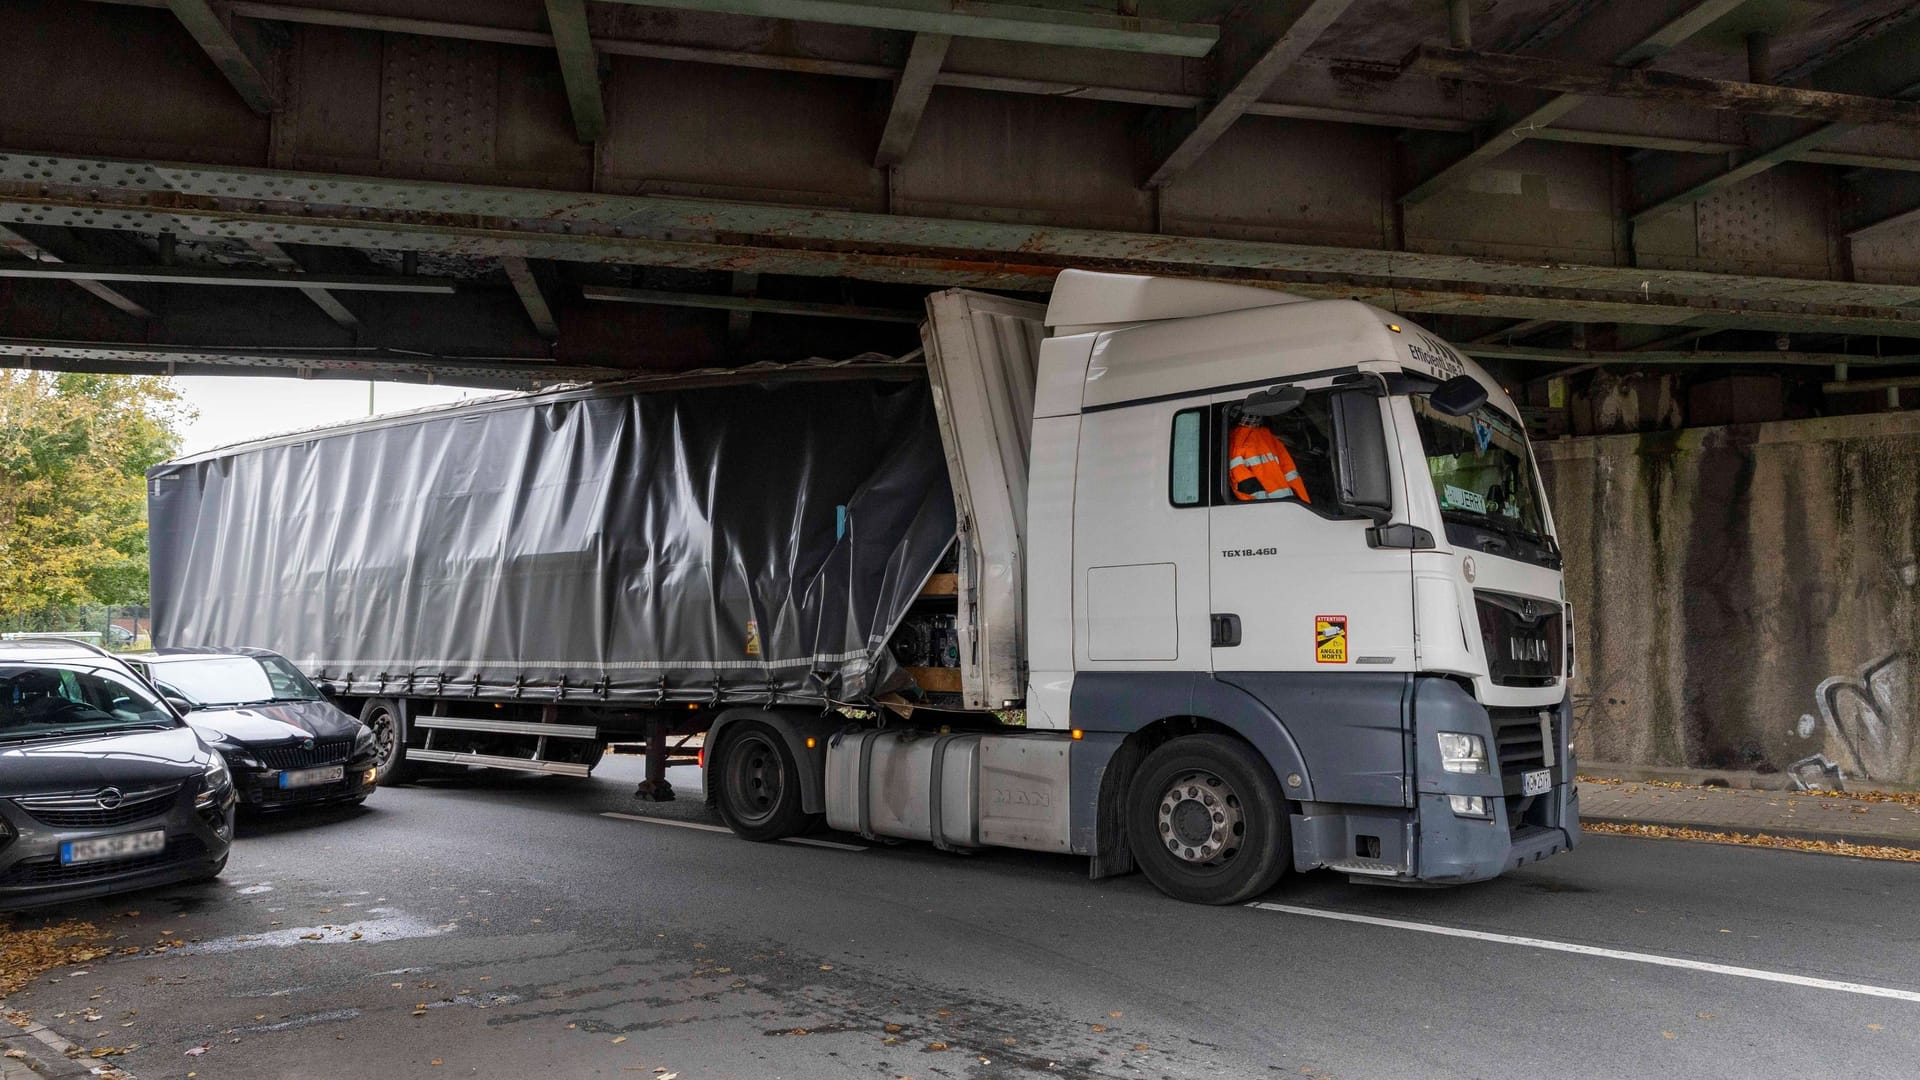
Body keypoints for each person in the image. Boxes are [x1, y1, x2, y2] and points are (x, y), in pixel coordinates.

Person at [1228, 413, 1310, 503]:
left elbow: (1291, 473)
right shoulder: (1236, 442)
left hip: (1283, 506)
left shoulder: (1267, 436)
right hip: (1274, 509)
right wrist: (1303, 503)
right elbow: (1243, 482)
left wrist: (1304, 504)